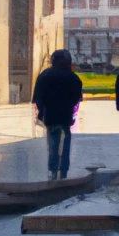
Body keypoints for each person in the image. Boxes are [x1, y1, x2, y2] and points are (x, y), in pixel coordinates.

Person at [32, 49, 84, 180]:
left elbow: (38, 98)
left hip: (50, 115)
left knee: (53, 144)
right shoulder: (73, 78)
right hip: (65, 115)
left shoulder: (45, 75)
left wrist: (40, 115)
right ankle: (63, 172)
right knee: (65, 144)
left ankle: (53, 171)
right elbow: (76, 99)